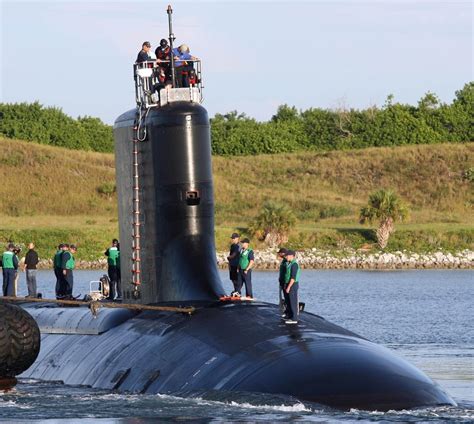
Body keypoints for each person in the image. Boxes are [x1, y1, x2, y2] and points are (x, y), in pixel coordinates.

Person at [283, 250, 300, 324]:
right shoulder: (289, 264)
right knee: (288, 301)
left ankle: (294, 318)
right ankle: (290, 315)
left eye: (287, 255)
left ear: (291, 256)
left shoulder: (294, 264)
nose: (286, 257)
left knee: (293, 301)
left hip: (292, 285)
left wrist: (289, 287)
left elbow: (293, 278)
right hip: (287, 284)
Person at [277, 247, 288, 315]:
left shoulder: (286, 261)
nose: (279, 255)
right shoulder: (284, 261)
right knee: (284, 296)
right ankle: (286, 310)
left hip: (285, 281)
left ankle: (288, 311)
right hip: (282, 281)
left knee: (287, 297)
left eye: (280, 253)